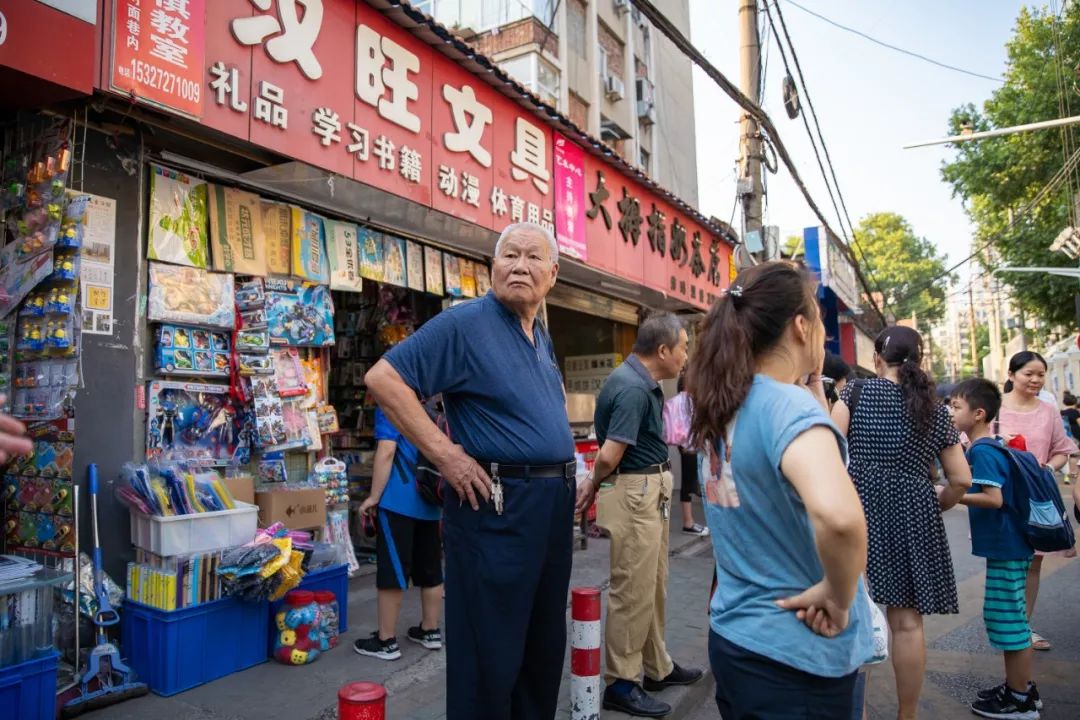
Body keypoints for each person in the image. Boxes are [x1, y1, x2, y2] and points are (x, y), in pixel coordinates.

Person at [364, 222, 576, 720]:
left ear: (553, 273)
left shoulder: (538, 334)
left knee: (542, 645)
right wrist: (446, 454)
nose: (519, 266)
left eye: (532, 257)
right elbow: (383, 378)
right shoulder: (466, 323)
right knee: (491, 652)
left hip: (548, 510)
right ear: (491, 267)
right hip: (498, 508)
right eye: (509, 256)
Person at [685, 261, 874, 719]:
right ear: (800, 325)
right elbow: (840, 519)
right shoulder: (784, 405)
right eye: (821, 321)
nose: (824, 335)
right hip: (797, 653)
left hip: (737, 638)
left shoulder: (721, 404)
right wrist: (838, 593)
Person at [832, 326, 972, 720]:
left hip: (854, 507)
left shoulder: (853, 394)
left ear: (877, 358)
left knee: (848, 614)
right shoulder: (936, 410)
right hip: (913, 512)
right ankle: (906, 715)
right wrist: (933, 504)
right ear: (920, 360)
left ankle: (848, 710)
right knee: (907, 624)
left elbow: (828, 454)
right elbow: (960, 479)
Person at [577, 313, 704, 717]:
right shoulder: (632, 388)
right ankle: (621, 682)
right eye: (684, 346)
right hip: (635, 492)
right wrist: (592, 484)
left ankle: (655, 667)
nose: (686, 355)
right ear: (663, 350)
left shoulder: (640, 382)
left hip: (649, 491)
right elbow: (611, 455)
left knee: (653, 585)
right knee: (632, 591)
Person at [949, 379, 1042, 719]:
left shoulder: (984, 450)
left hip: (1008, 547)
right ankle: (1020, 687)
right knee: (1011, 619)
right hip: (1011, 546)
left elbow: (994, 499)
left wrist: (951, 496)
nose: (950, 412)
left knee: (1010, 624)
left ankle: (1019, 700)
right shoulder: (988, 446)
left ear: (978, 414)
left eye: (956, 407)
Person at [996, 351, 1077, 652]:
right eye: (1028, 373)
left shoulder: (1048, 412)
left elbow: (1062, 449)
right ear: (1012, 374)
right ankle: (1008, 625)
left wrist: (1049, 468)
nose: (1035, 379)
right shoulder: (996, 410)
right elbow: (973, 443)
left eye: (1040, 374)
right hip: (1002, 497)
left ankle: (1023, 626)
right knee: (1006, 561)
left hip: (1038, 497)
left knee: (1033, 562)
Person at [353, 405, 443, 661]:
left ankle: (386, 640)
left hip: (398, 500)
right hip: (430, 500)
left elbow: (387, 451)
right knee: (431, 569)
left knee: (393, 570)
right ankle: (430, 630)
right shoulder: (430, 404)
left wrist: (373, 497)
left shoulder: (391, 403)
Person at [673, 375, 708, 537]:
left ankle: (690, 522)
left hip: (692, 445)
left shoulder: (688, 401)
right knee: (688, 482)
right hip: (688, 446)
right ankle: (688, 523)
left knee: (693, 482)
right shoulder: (683, 401)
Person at [1060, 392, 1079, 485]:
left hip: (1065, 435)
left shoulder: (1061, 412)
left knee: (1068, 454)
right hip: (1075, 435)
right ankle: (1074, 472)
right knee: (1075, 454)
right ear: (1075, 402)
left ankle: (1068, 472)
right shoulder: (1075, 412)